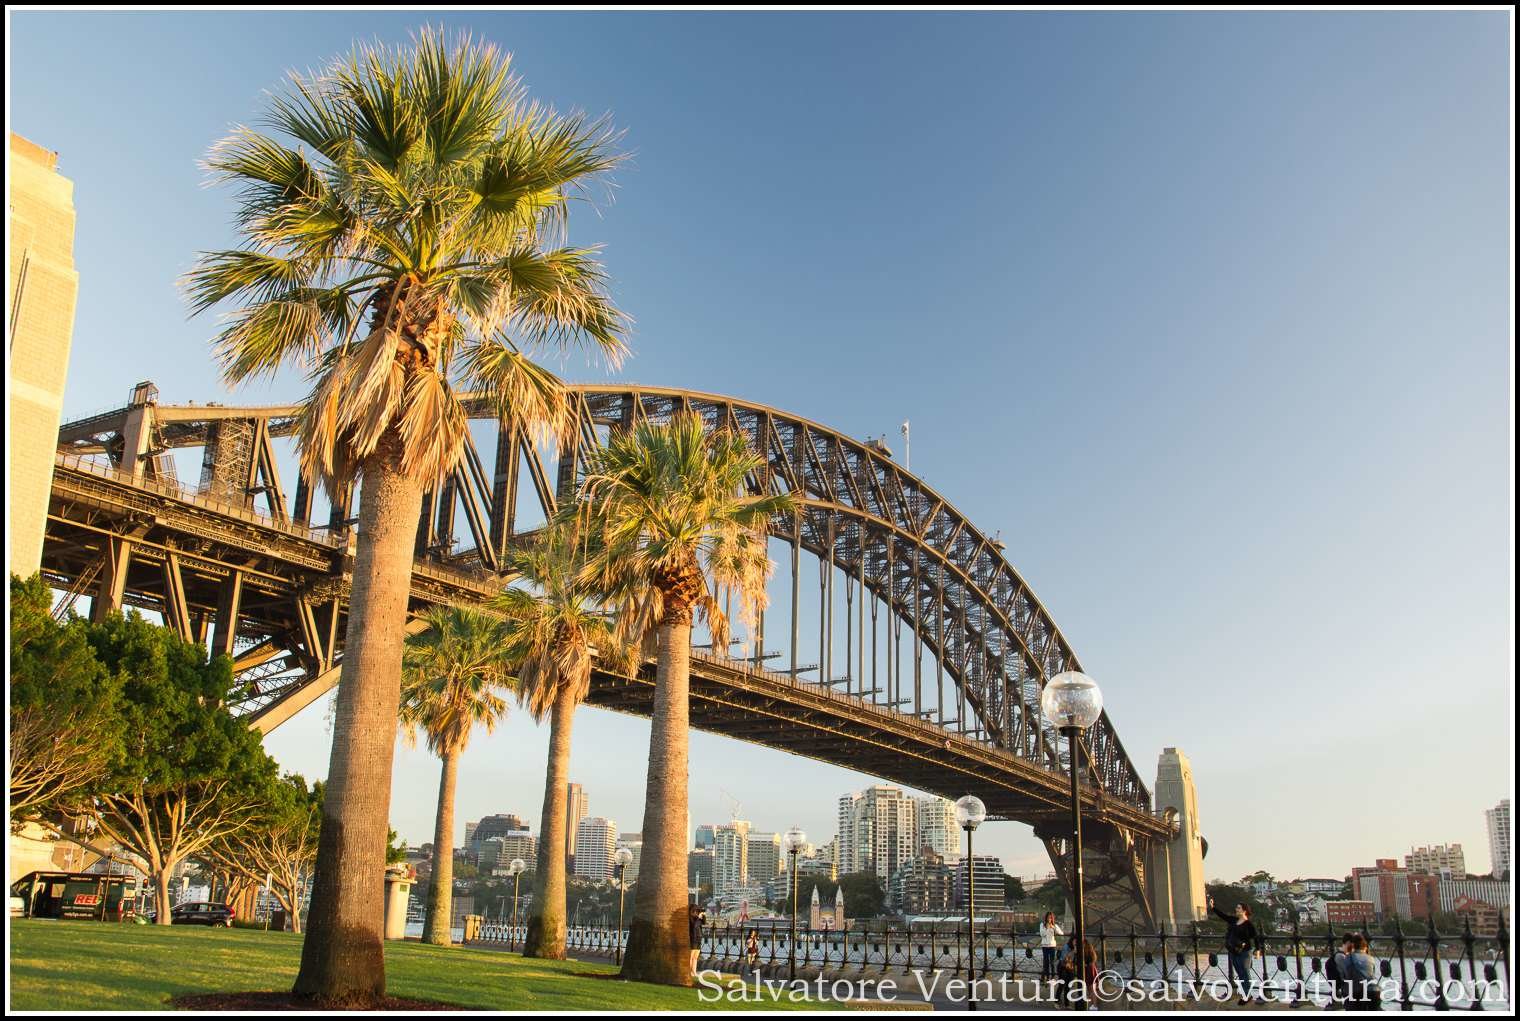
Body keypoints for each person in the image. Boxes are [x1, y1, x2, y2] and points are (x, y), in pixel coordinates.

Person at [1207, 895, 1263, 1004]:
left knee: (1245, 972)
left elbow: (1255, 937)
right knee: (1240, 973)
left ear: (1244, 911)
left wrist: (1258, 950)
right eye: (1236, 908)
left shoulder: (1248, 924)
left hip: (1245, 951)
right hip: (1233, 950)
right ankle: (1246, 994)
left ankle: (1247, 995)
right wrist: (1213, 907)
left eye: (1238, 908)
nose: (1236, 909)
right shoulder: (1234, 920)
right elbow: (1223, 916)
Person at [1333, 932, 1382, 1011]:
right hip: (1373, 991)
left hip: (1356, 993)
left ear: (1352, 946)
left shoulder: (1348, 958)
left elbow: (1344, 976)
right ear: (1365, 946)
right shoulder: (1371, 958)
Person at [1039, 912, 1064, 982]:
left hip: (1052, 946)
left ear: (1052, 918)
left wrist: (1053, 927)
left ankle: (1052, 977)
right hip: (1044, 946)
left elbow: (1061, 933)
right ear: (1046, 918)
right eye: (1048, 917)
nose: (1049, 919)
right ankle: (1046, 977)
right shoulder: (1042, 925)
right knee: (1046, 962)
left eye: (1050, 918)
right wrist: (1047, 928)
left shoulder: (1054, 925)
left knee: (1052, 962)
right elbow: (1042, 934)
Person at [688, 905, 707, 976]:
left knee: (696, 957)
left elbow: (704, 922)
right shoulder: (691, 919)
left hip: (699, 937)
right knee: (691, 956)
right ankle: (689, 971)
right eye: (695, 911)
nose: (697, 912)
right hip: (693, 938)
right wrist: (698, 918)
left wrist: (704, 916)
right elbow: (694, 926)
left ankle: (694, 971)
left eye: (698, 911)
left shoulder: (697, 919)